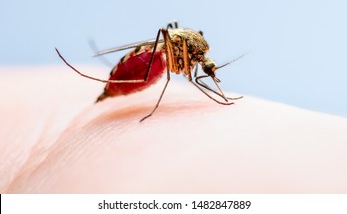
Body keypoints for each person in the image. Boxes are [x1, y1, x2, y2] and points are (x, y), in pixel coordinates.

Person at [1, 66, 347, 193]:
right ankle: (118, 81)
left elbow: (197, 74)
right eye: (209, 70)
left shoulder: (195, 59)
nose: (208, 73)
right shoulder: (183, 54)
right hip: (152, 59)